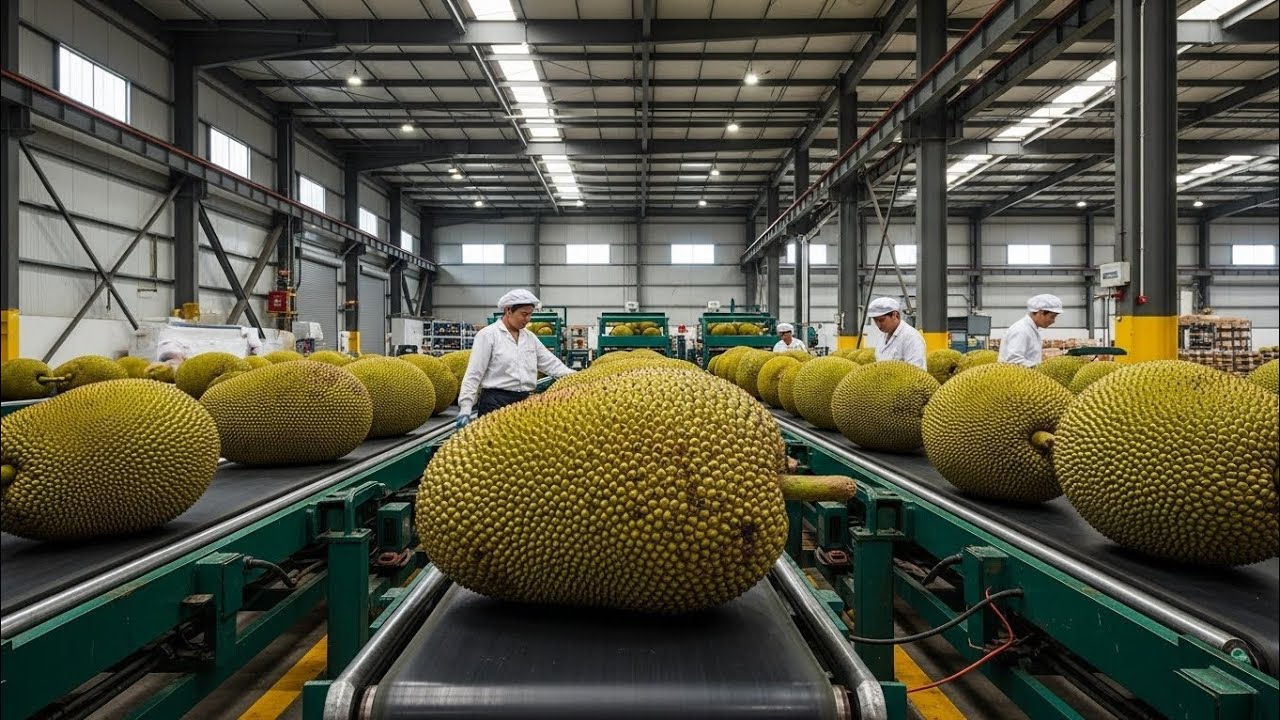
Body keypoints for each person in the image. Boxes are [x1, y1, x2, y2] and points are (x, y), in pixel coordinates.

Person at [456, 289, 574, 429]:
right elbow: (474, 373)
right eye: (523, 314)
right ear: (508, 310)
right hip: (495, 402)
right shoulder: (488, 335)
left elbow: (551, 364)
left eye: (530, 315)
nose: (527, 319)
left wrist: (579, 377)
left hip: (524, 403)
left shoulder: (529, 338)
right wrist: (465, 407)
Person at [999, 294, 1063, 367]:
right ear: (1041, 312)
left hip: (1026, 376)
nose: (1053, 321)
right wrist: (1043, 368)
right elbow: (1014, 361)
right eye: (1052, 317)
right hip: (1016, 376)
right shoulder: (1021, 330)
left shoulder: (1031, 330)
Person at [867, 297, 926, 369]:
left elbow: (916, 371)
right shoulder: (882, 336)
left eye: (881, 320)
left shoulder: (911, 337)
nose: (878, 324)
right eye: (875, 320)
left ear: (895, 315)